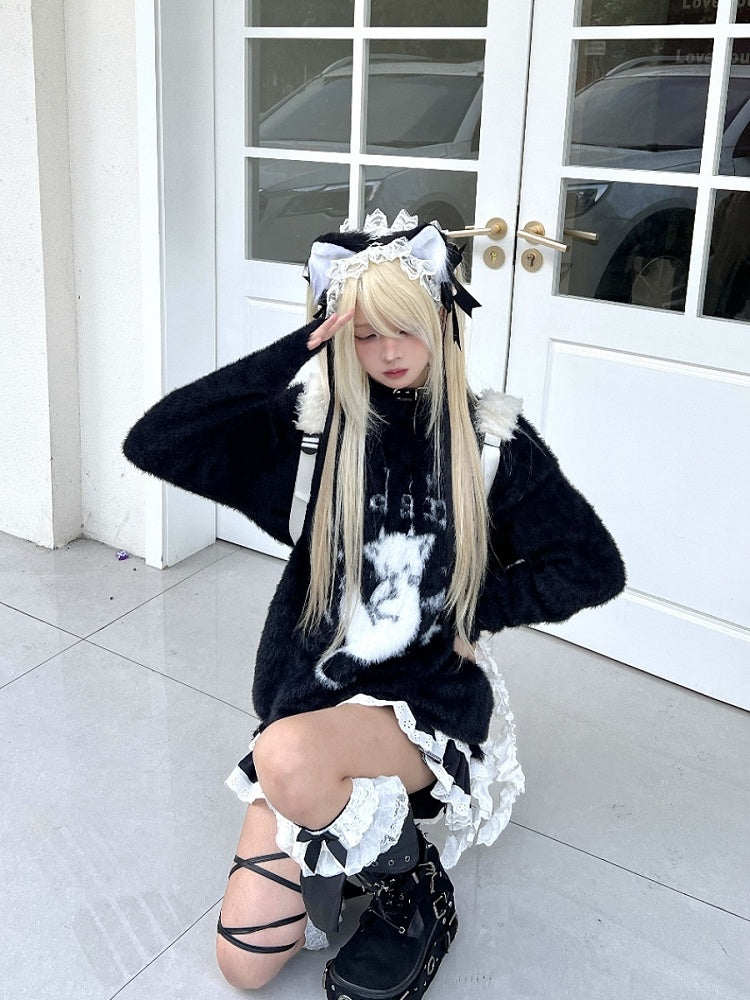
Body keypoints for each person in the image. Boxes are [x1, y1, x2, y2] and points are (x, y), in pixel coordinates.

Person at [122, 210, 626, 1000]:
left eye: (407, 328)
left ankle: (415, 891)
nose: (389, 352)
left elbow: (593, 567)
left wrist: (470, 608)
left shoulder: (489, 445)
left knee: (287, 757)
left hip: (420, 705)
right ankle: (345, 824)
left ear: (443, 321)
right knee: (242, 967)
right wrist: (299, 349)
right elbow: (155, 440)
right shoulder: (314, 438)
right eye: (365, 334)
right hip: (313, 702)